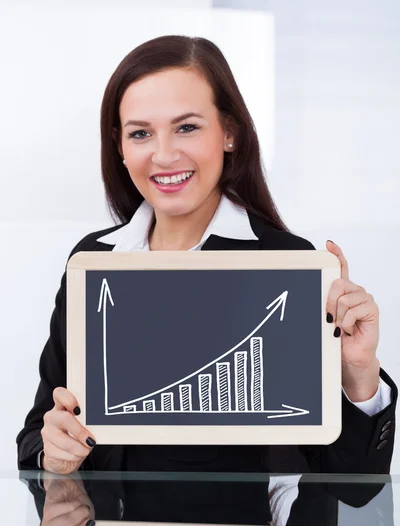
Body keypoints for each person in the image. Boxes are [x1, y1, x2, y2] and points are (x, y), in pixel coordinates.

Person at [16, 35, 397, 477]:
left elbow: (355, 487)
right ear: (120, 147)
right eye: (141, 133)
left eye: (187, 127)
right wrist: (52, 449)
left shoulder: (291, 266)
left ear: (230, 133)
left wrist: (359, 371)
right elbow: (35, 437)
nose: (163, 154)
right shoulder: (92, 261)